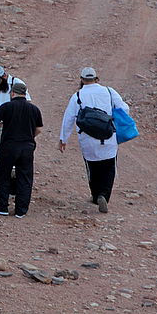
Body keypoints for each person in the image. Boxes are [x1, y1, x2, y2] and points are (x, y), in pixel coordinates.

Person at [59, 67, 129, 213]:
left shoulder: (77, 96)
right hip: (109, 136)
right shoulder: (109, 91)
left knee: (92, 168)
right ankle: (104, 195)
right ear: (97, 79)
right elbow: (124, 108)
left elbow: (69, 118)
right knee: (109, 167)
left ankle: (95, 195)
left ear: (82, 80)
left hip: (87, 138)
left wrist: (63, 139)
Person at [0, 81, 43, 218]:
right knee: (24, 178)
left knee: (4, 176)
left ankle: (2, 207)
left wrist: (1, 125)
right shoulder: (34, 109)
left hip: (9, 146)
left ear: (12, 93)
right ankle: (21, 210)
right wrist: (30, 135)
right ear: (25, 94)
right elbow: (39, 129)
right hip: (27, 147)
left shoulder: (7, 106)